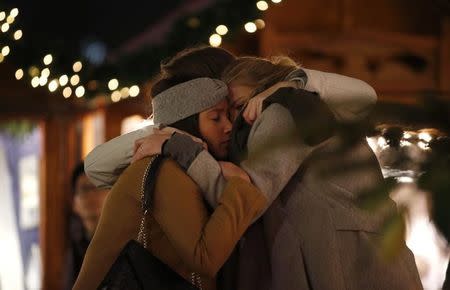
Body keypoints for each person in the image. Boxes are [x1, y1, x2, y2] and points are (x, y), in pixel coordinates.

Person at [84, 49, 399, 289]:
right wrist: (170, 131)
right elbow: (96, 166)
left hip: (350, 265)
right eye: (219, 114)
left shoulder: (283, 108)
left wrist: (290, 84)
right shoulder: (213, 142)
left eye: (232, 109)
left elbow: (365, 96)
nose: (233, 122)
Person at [73, 47, 269, 290]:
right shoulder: (166, 166)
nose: (229, 126)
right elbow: (204, 259)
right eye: (216, 117)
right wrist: (240, 184)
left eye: (231, 113)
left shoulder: (183, 159)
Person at [65, 162, 108, 290]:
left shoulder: (121, 238)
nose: (91, 195)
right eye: (84, 189)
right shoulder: (74, 245)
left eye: (97, 187)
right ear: (74, 203)